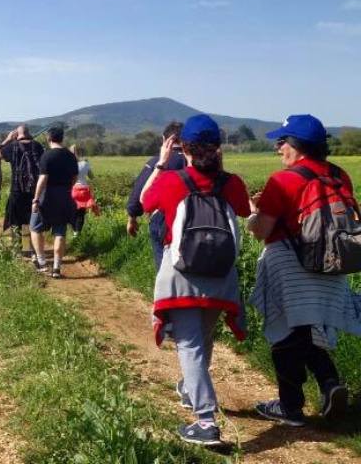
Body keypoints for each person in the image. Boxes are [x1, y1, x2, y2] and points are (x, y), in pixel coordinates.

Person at [141, 114, 251, 446]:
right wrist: (222, 169)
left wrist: (161, 164)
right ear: (218, 148)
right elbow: (244, 211)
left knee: (189, 346)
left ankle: (205, 422)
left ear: (182, 147)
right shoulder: (232, 183)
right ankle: (191, 390)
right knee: (202, 342)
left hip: (182, 275)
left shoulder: (172, 180)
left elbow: (145, 203)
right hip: (220, 275)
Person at [247, 114, 361, 427]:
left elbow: (262, 230)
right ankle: (329, 384)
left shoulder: (282, 180)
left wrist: (254, 213)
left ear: (296, 145)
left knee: (286, 333)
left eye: (282, 141)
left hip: (291, 265)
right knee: (308, 330)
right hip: (334, 265)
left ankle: (290, 407)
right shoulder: (339, 175)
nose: (278, 148)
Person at [127, 121, 185, 269]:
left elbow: (140, 191)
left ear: (164, 139)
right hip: (194, 217)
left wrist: (132, 216)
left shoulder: (157, 162)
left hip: (162, 218)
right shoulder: (196, 162)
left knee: (163, 265)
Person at [30, 127, 79, 279]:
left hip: (47, 196)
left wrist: (36, 199)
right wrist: (68, 189)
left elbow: (43, 179)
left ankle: (42, 262)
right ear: (62, 138)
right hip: (65, 195)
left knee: (35, 227)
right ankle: (57, 266)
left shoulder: (47, 156)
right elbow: (75, 177)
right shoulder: (71, 156)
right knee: (60, 231)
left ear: (48, 138)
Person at [0, 124, 44, 254]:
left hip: (17, 189)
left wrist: (7, 140)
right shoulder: (37, 146)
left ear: (16, 134)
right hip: (33, 190)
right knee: (27, 220)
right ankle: (26, 248)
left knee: (12, 219)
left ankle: (13, 248)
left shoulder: (12, 146)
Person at [69, 145, 99, 236]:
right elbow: (91, 177)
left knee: (71, 212)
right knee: (81, 214)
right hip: (84, 190)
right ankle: (77, 233)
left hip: (73, 190)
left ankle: (74, 231)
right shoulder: (85, 164)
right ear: (80, 152)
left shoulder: (68, 164)